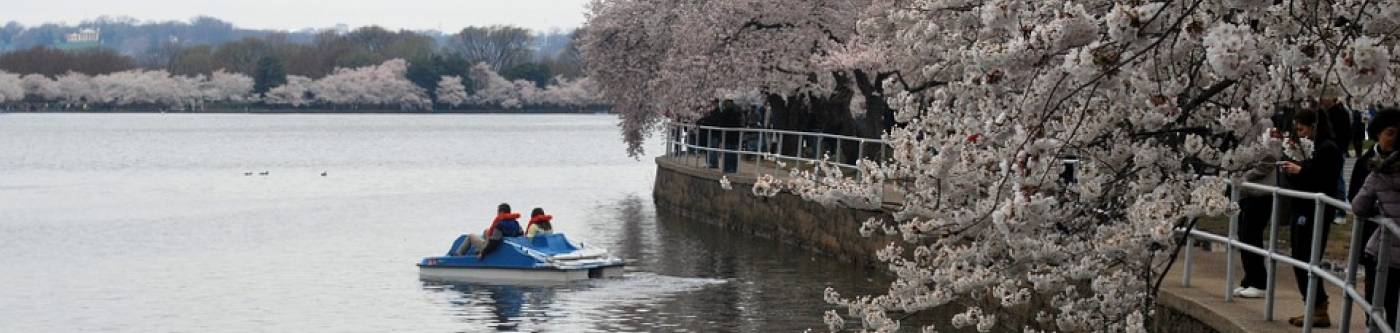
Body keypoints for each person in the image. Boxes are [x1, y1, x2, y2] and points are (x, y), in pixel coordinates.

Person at [1281, 106, 1346, 327]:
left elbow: (1325, 181)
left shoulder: (1327, 149)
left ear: (1314, 127)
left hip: (1314, 211)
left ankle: (1319, 307)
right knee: (1300, 257)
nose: (1301, 134)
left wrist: (1302, 171)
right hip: (1303, 208)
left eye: (1302, 129)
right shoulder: (1309, 149)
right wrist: (1292, 167)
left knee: (1306, 257)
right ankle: (1312, 306)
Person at [1350, 108, 1400, 330]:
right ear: (1378, 133)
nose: (1395, 139)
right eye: (1390, 133)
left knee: (1386, 303)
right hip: (1375, 237)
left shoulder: (1378, 171)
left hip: (1386, 244)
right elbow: (1356, 200)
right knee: (1377, 300)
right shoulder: (1367, 162)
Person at [1235, 127, 1284, 299]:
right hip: (1247, 192)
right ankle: (1249, 278)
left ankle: (1259, 282)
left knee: (1251, 235)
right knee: (1243, 234)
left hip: (1261, 192)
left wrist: (1247, 176)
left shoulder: (1265, 125)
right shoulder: (1247, 124)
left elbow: (1270, 158)